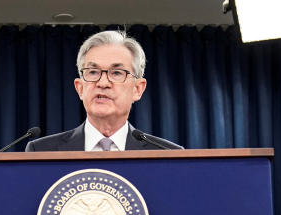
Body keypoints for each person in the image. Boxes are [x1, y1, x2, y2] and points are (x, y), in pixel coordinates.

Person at [26, 30, 182, 151]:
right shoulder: (42, 151)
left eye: (116, 73)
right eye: (93, 72)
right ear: (80, 88)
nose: (102, 83)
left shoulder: (168, 154)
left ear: (137, 89)